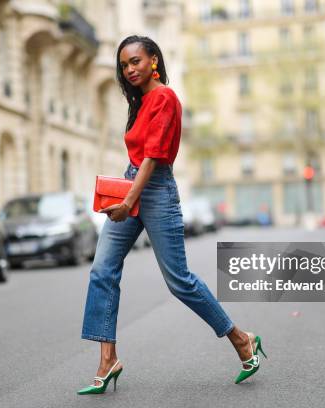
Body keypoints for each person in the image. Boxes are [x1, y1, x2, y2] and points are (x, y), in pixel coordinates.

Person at [77, 35, 267, 395]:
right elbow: (136, 160)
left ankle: (242, 340)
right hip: (133, 186)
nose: (129, 69)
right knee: (102, 270)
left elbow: (153, 157)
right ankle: (108, 359)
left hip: (156, 192)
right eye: (123, 65)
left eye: (135, 61)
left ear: (153, 61)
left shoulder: (164, 97)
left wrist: (128, 200)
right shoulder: (142, 101)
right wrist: (123, 192)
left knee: (179, 280)